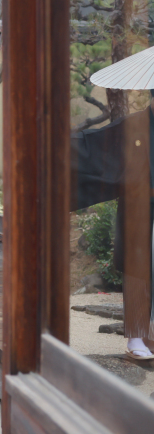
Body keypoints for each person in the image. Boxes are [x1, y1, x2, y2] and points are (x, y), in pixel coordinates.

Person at [71, 90, 154, 360]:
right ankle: (136, 338)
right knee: (139, 271)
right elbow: (92, 150)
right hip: (141, 207)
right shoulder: (131, 126)